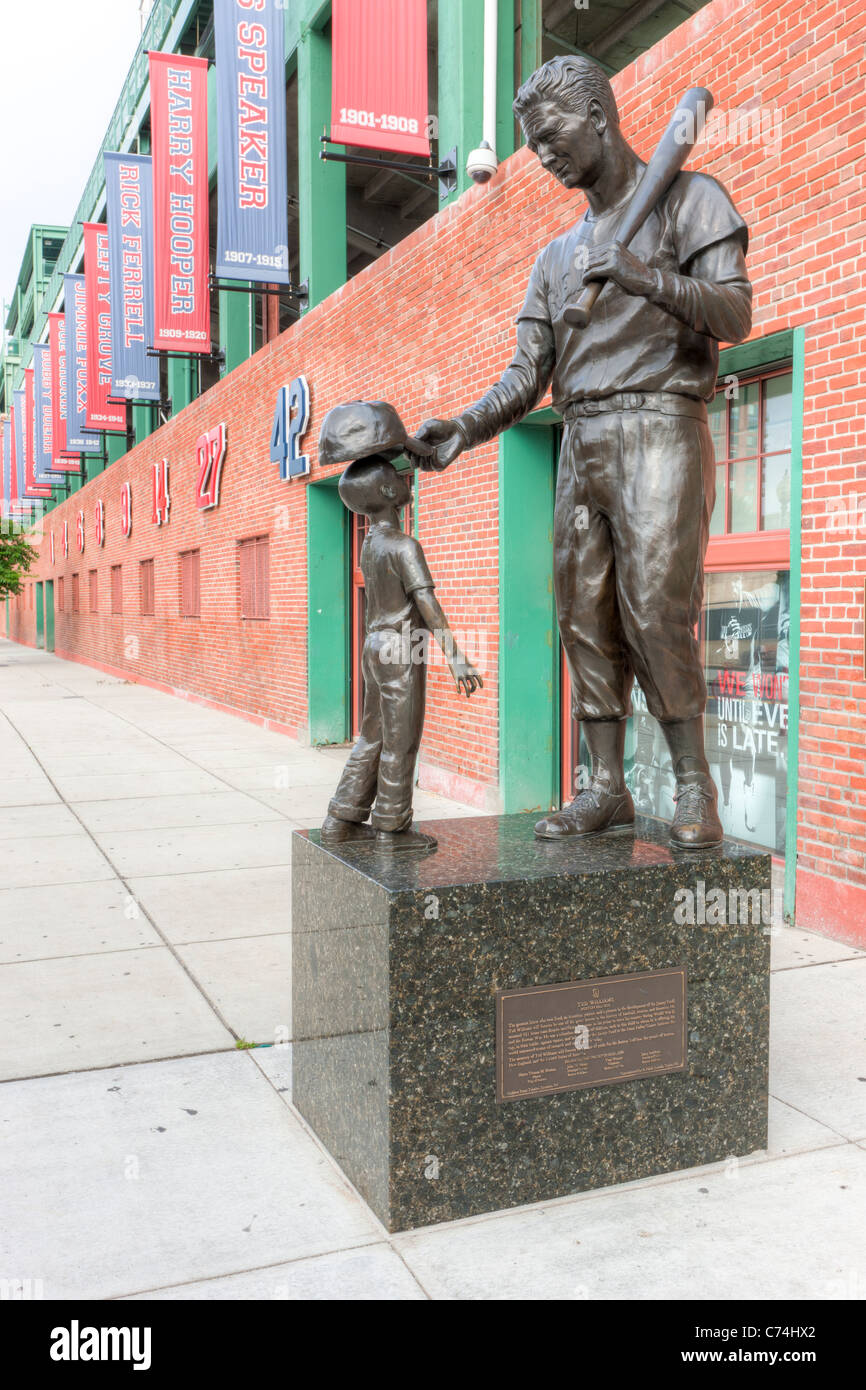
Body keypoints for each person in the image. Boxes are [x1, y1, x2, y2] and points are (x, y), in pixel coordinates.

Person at [409, 55, 753, 848]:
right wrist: (463, 427)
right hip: (581, 439)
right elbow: (528, 374)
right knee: (584, 615)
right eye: (530, 142)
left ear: (598, 114)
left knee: (655, 608)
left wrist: (643, 277)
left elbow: (734, 314)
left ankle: (693, 784)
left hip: (663, 422)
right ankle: (606, 786)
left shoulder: (689, 200)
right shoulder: (555, 258)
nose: (542, 154)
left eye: (552, 133)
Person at [319, 402, 483, 852]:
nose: (403, 478)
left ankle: (342, 818)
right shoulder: (404, 545)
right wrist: (456, 656)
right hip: (400, 648)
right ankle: (393, 829)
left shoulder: (369, 546)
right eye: (397, 477)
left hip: (374, 645)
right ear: (388, 494)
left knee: (371, 735)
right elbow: (425, 601)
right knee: (401, 741)